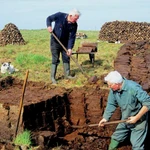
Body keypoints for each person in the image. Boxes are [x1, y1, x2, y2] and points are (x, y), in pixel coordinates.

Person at [98, 71, 150, 150]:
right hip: (125, 119)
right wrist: (105, 118)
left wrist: (136, 117)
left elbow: (148, 102)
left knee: (136, 145)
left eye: (110, 85)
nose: (109, 87)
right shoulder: (114, 90)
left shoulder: (133, 88)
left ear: (117, 83)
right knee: (116, 137)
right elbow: (111, 104)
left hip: (139, 121)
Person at [46, 9, 81, 84]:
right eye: (76, 18)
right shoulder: (59, 15)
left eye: (77, 19)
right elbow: (49, 18)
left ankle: (67, 75)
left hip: (65, 43)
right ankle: (53, 77)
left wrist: (69, 48)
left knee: (66, 58)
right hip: (55, 41)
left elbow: (72, 37)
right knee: (55, 59)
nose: (76, 20)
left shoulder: (74, 25)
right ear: (71, 16)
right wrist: (49, 26)